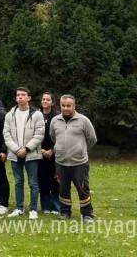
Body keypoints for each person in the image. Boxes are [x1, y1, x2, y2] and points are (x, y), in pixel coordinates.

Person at [50, 94, 97, 222]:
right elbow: (53, 137)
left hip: (79, 163)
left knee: (83, 188)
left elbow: (92, 139)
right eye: (63, 106)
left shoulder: (83, 120)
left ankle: (87, 214)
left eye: (68, 106)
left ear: (74, 106)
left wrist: (81, 150)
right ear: (60, 106)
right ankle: (65, 212)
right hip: (60, 162)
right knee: (63, 188)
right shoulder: (55, 121)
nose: (65, 108)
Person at [3, 87, 45, 219]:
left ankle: (33, 209)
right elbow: (6, 134)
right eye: (18, 95)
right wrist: (16, 149)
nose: (20, 97)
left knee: (33, 182)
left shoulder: (37, 114)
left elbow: (39, 135)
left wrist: (26, 149)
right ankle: (19, 208)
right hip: (15, 154)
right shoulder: (10, 115)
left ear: (29, 98)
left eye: (23, 95)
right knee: (18, 182)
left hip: (31, 154)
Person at [38, 92, 61, 214]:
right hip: (39, 152)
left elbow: (59, 135)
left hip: (54, 153)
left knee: (55, 181)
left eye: (48, 99)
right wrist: (39, 149)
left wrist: (52, 150)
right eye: (43, 99)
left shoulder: (57, 117)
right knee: (42, 180)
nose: (45, 101)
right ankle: (45, 206)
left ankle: (56, 206)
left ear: (52, 102)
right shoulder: (37, 115)